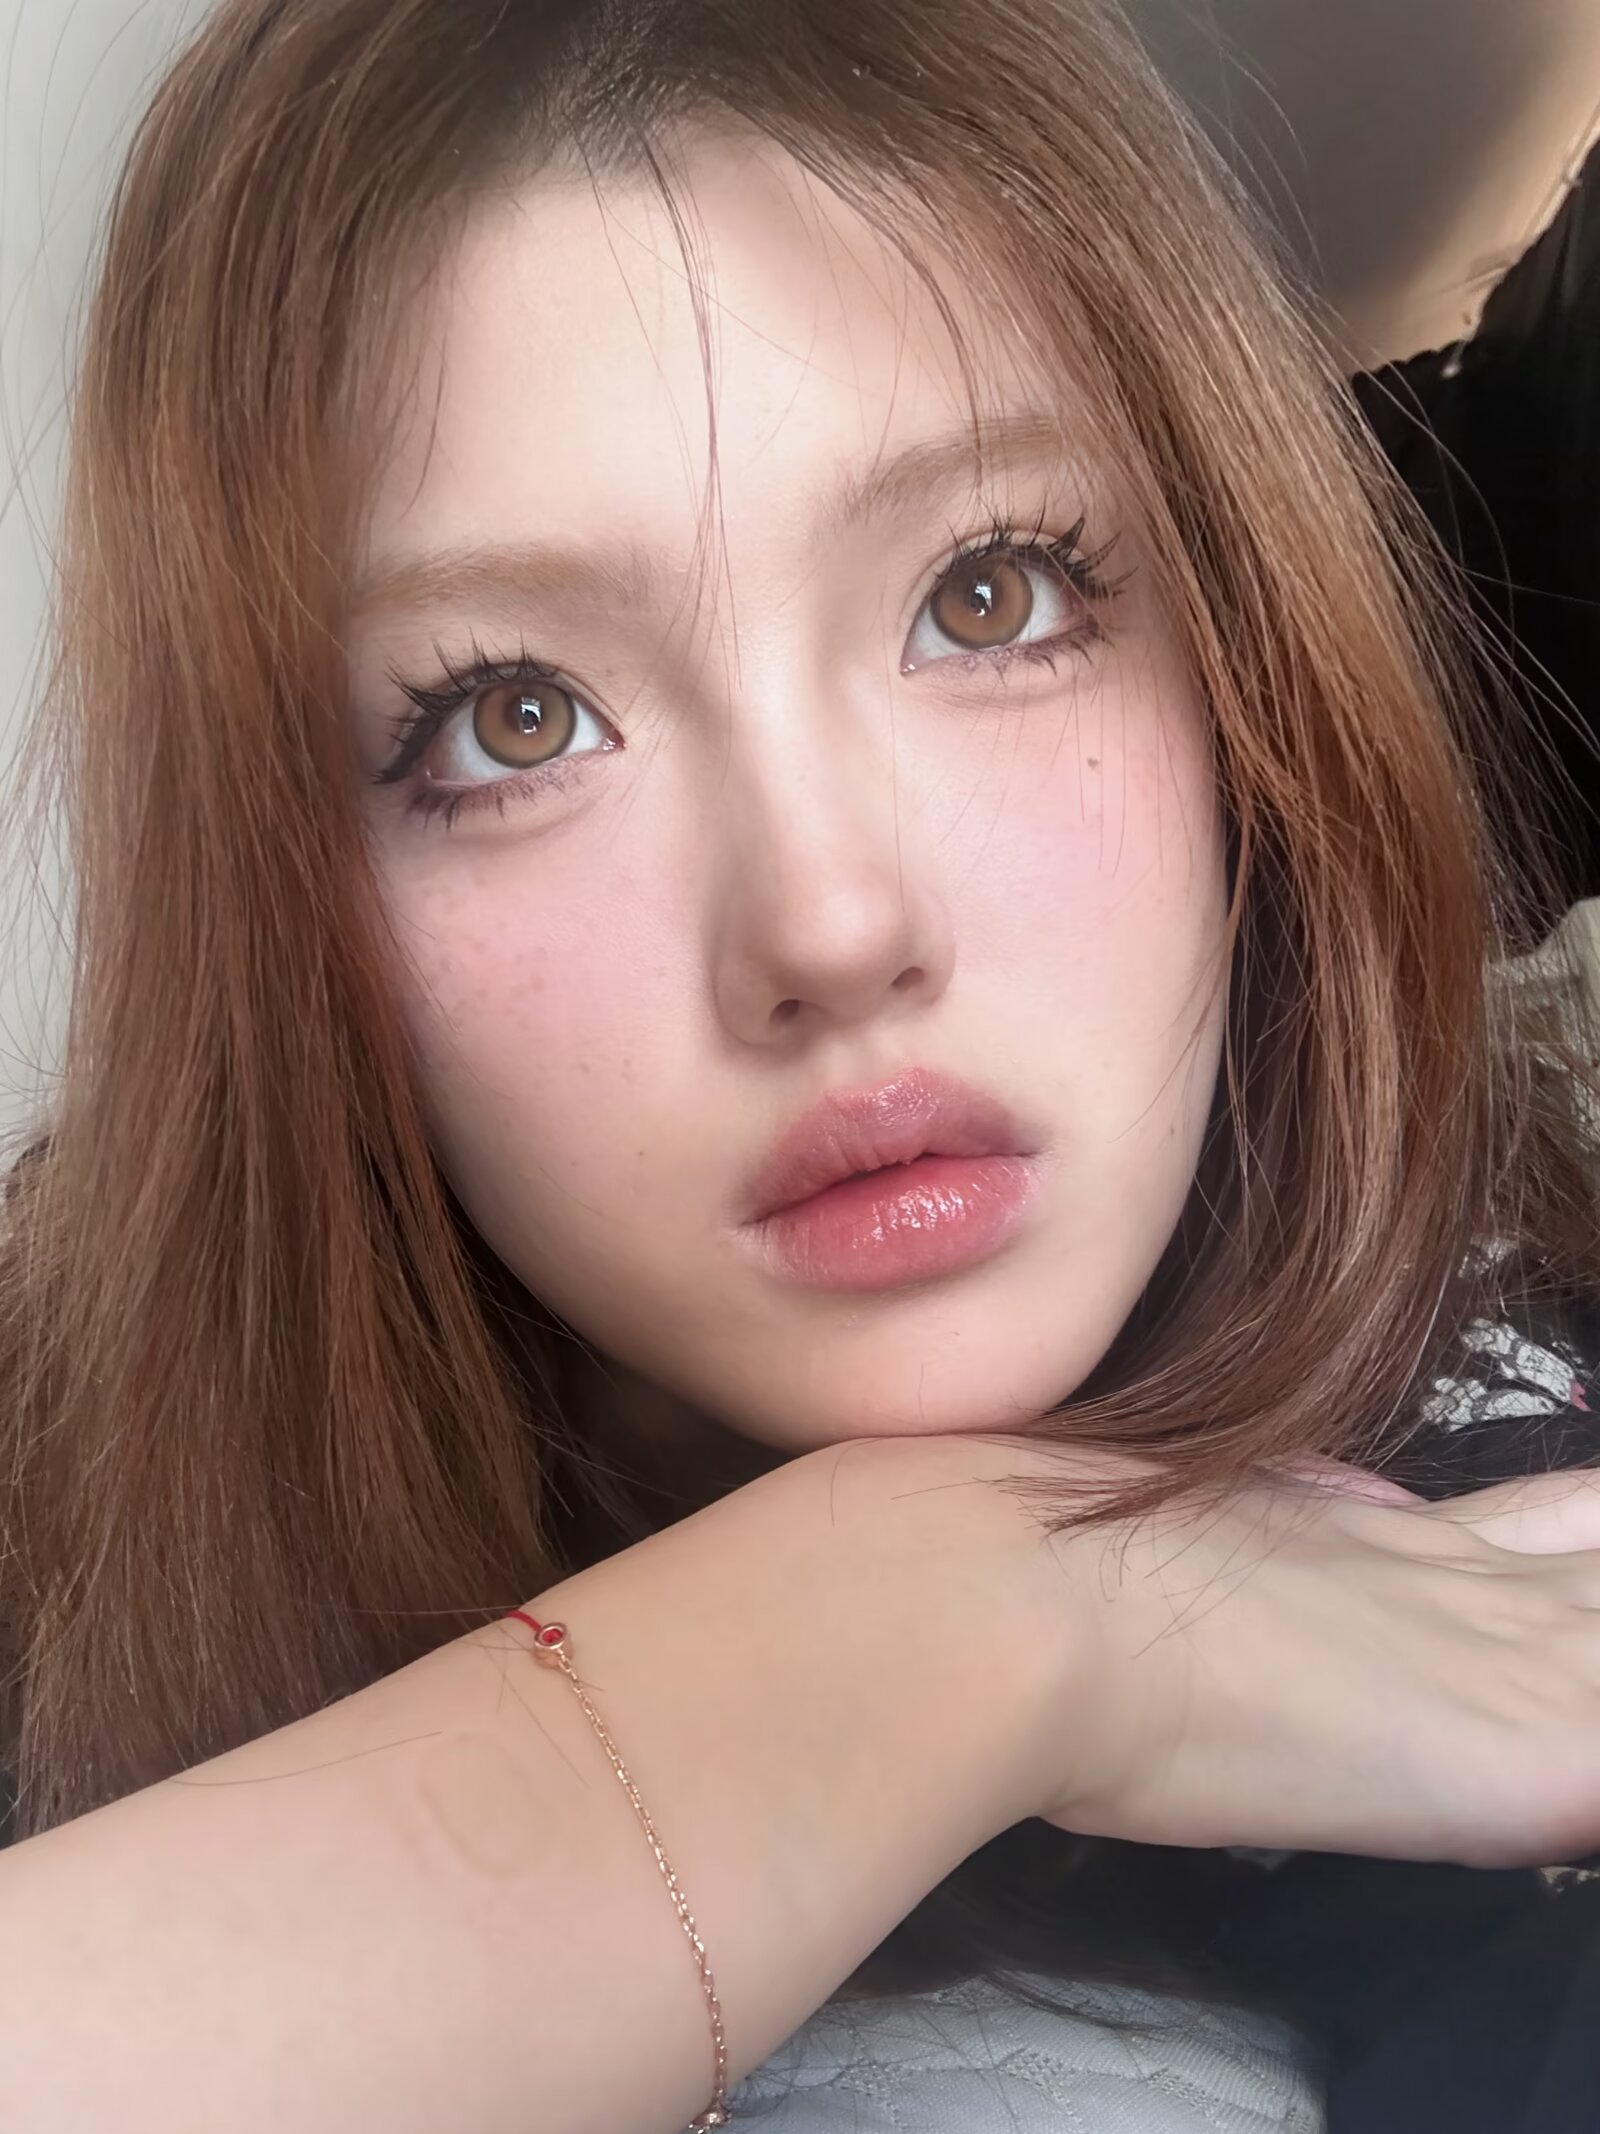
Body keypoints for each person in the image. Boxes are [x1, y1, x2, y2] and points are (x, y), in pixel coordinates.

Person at [0, 1, 1597, 2128]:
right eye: (511, 717)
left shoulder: (1531, 1504)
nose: (828, 923)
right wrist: (938, 1620)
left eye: (988, 593)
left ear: (1239, 655)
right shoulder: (59, 1480)